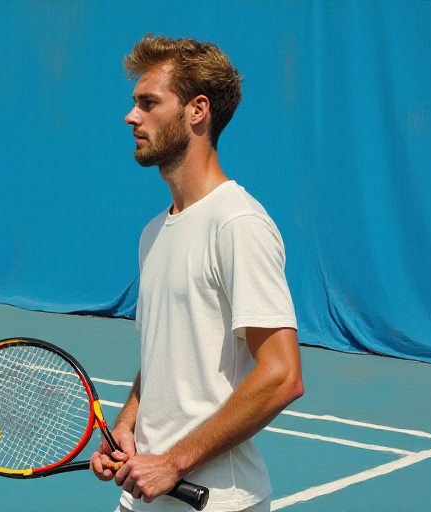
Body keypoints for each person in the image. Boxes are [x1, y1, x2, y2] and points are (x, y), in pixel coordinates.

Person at [89, 34, 305, 512]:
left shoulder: (237, 224)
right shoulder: (154, 232)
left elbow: (282, 375)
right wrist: (127, 426)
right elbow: (166, 358)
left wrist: (174, 463)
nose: (132, 117)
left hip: (216, 502)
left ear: (197, 110)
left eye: (149, 103)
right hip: (143, 496)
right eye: (134, 103)